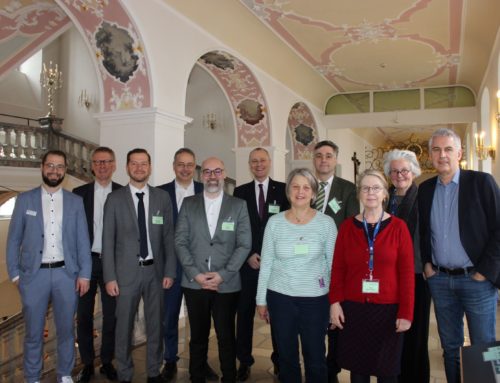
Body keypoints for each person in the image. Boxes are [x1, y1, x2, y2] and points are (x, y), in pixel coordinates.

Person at [418, 128, 500, 383]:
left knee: (483, 347)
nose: (442, 155)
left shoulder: (482, 182)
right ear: (431, 155)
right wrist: (427, 265)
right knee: (450, 348)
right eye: (436, 149)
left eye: (448, 149)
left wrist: (485, 271)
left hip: (476, 280)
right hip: (440, 281)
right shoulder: (425, 189)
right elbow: (422, 231)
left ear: (460, 153)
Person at [6, 149, 91, 383]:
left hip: (66, 275)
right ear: (42, 168)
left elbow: (83, 240)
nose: (55, 170)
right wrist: (15, 275)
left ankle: (64, 374)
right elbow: (13, 240)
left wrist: (85, 273)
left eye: (60, 166)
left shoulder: (75, 202)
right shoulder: (25, 200)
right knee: (33, 333)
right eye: (50, 166)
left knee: (65, 330)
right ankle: (32, 377)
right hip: (34, 277)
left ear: (64, 170)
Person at [329, 169, 414, 383]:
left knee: (388, 373)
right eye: (365, 188)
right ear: (359, 194)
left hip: (388, 311)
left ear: (385, 193)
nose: (371, 193)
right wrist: (335, 303)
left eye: (376, 188)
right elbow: (338, 268)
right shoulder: (347, 227)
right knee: (358, 372)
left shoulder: (399, 228)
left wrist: (406, 313)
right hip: (355, 310)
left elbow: (406, 274)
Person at [102, 148, 176, 383]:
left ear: (150, 167)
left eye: (144, 164)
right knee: (123, 328)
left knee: (156, 325)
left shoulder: (162, 198)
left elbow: (168, 238)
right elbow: (107, 241)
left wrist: (170, 270)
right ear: (127, 167)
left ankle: (154, 371)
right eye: (134, 163)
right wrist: (109, 277)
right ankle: (125, 373)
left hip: (155, 272)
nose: (139, 168)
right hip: (125, 275)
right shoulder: (114, 199)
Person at [256, 168, 337, 383]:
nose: (300, 191)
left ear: (313, 193)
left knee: (316, 357)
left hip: (316, 300)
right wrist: (261, 300)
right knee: (286, 357)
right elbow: (266, 264)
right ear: (288, 191)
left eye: (306, 187)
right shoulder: (274, 223)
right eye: (295, 186)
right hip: (280, 298)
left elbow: (333, 266)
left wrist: (334, 302)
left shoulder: (326, 223)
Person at [175, 157, 251, 383]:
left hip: (226, 284)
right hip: (194, 282)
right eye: (207, 172)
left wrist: (223, 274)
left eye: (217, 171)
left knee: (226, 336)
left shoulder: (238, 205)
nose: (212, 176)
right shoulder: (189, 204)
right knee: (197, 337)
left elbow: (244, 244)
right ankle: (196, 376)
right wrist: (195, 274)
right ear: (201, 176)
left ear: (224, 174)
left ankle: (229, 377)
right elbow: (180, 241)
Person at [157, 148, 218, 381]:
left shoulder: (207, 191)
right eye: (180, 164)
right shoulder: (160, 193)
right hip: (170, 268)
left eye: (190, 164)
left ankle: (199, 364)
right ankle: (170, 360)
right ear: (174, 166)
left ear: (196, 168)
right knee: (169, 317)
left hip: (199, 268)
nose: (185, 168)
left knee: (200, 320)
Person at [233, 147, 289, 381]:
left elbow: (287, 226)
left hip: (275, 265)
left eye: (262, 160)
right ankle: (244, 361)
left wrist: (272, 256)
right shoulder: (239, 192)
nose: (258, 165)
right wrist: (247, 255)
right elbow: (236, 227)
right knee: (244, 316)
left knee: (277, 315)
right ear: (249, 164)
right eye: (254, 161)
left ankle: (279, 361)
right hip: (248, 266)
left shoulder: (283, 191)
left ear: (269, 163)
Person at [73, 147, 122, 383]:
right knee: (83, 316)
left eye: (107, 162)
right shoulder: (78, 193)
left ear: (114, 165)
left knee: (112, 316)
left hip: (113, 264)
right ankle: (88, 364)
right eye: (97, 162)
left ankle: (107, 361)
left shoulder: (123, 193)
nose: (102, 166)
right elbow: (71, 233)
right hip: (86, 264)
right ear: (92, 165)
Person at [313, 140, 359, 383]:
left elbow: (352, 227)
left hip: (336, 262)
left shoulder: (347, 189)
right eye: (319, 155)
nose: (323, 160)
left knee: (335, 316)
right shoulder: (305, 186)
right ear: (314, 159)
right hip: (308, 262)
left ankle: (332, 368)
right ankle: (317, 364)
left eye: (328, 156)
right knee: (315, 317)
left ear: (335, 160)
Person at [382, 149, 430, 383]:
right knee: (393, 334)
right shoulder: (384, 198)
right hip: (388, 278)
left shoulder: (422, 197)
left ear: (413, 172)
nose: (399, 175)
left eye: (404, 170)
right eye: (394, 171)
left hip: (416, 275)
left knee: (415, 335)